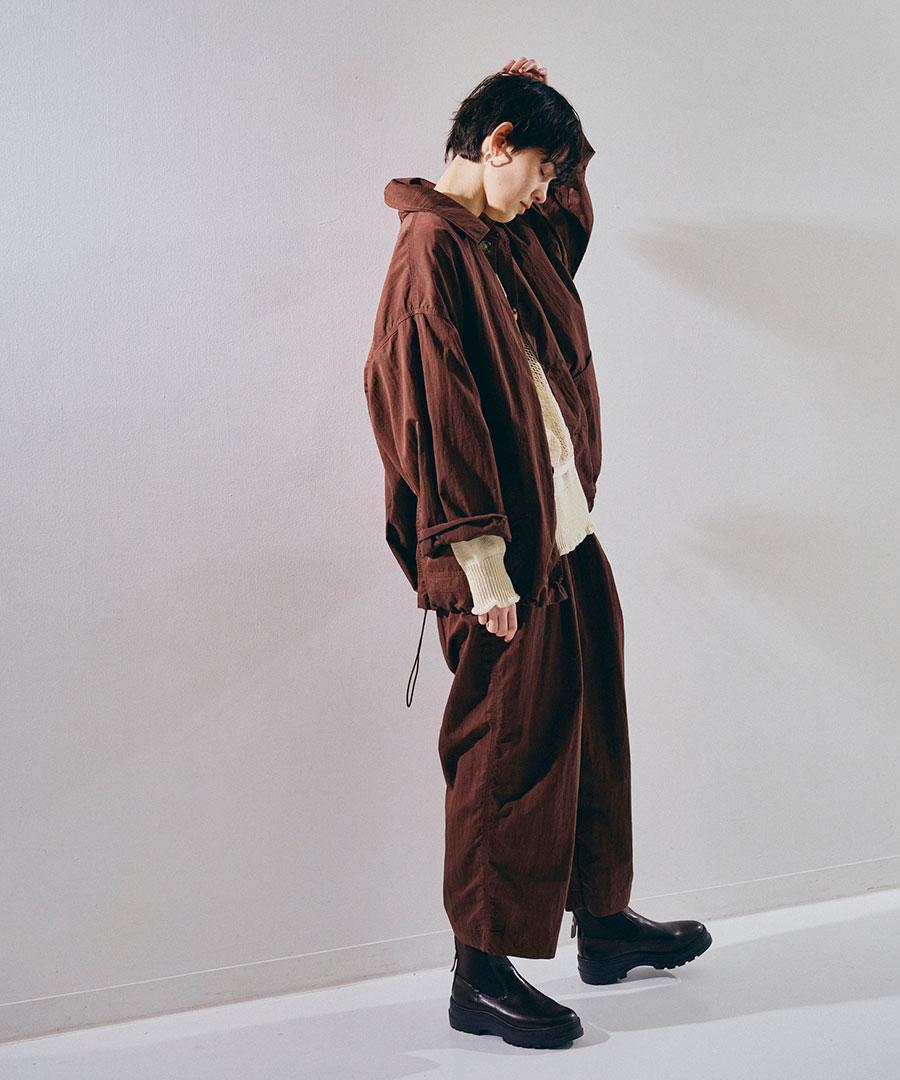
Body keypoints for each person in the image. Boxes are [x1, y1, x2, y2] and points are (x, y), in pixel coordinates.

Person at [364, 56, 711, 1049]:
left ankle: (602, 922)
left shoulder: (504, 238)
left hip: (565, 538)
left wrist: (560, 144)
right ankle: (480, 976)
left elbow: (566, 224)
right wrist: (482, 567)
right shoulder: (432, 251)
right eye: (541, 168)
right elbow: (436, 419)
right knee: (505, 756)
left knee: (591, 728)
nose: (549, 192)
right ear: (497, 145)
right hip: (503, 558)